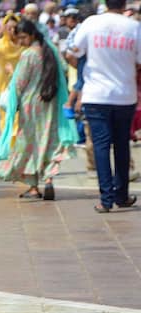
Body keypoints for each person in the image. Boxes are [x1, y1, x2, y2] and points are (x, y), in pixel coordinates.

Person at [0, 19, 76, 200]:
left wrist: (13, 103)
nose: (21, 42)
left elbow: (19, 84)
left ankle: (34, 187)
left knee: (30, 144)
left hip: (30, 106)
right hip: (50, 104)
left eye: (23, 37)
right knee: (48, 141)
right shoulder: (50, 50)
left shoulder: (29, 55)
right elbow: (63, 71)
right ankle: (49, 179)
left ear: (32, 35)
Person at [73, 0, 140, 212]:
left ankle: (106, 199)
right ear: (124, 4)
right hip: (124, 95)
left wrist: (87, 73)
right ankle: (121, 195)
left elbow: (73, 53)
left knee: (101, 146)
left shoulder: (91, 23)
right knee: (122, 145)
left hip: (96, 95)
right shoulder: (133, 26)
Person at [0, 13, 23, 131]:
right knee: (8, 119)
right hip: (6, 87)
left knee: (20, 120)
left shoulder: (24, 44)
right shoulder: (1, 45)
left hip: (23, 86)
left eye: (15, 28)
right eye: (9, 28)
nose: (12, 31)